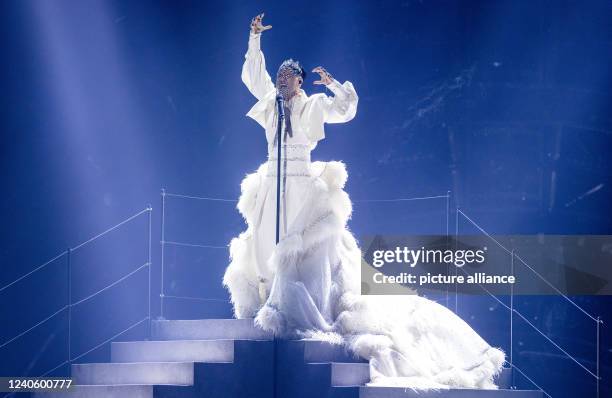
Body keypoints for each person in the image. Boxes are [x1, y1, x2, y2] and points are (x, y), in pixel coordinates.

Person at [223, 13, 505, 390]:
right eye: (279, 77)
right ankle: (271, 303)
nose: (280, 82)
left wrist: (335, 85)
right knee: (265, 246)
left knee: (304, 247)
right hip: (273, 181)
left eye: (287, 78)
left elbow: (346, 109)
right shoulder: (272, 103)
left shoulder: (311, 106)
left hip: (301, 184)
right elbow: (252, 78)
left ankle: (306, 308)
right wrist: (254, 39)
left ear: (299, 81)